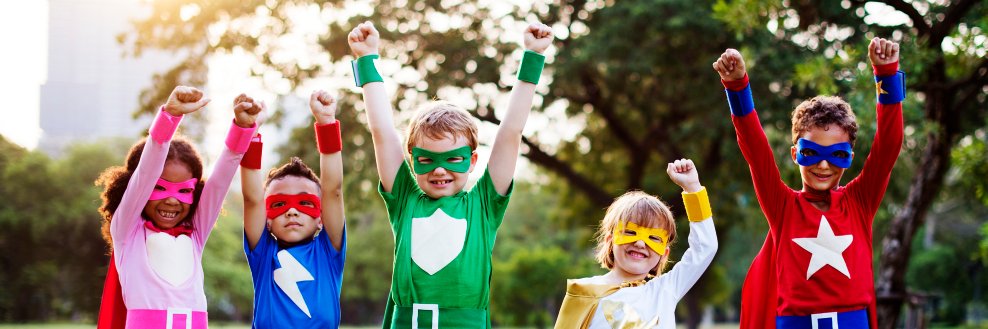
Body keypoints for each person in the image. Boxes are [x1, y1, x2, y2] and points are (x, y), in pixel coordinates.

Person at [347, 20, 553, 328]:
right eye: (427, 159)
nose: (440, 169)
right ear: (412, 161)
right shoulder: (405, 199)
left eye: (453, 159)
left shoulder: (483, 204)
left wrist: (533, 57)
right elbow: (382, 133)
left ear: (471, 161)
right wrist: (366, 59)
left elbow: (511, 132)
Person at [712, 38, 905, 329]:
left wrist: (887, 74)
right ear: (795, 154)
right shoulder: (782, 206)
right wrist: (737, 86)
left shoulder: (859, 202)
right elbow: (755, 149)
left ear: (850, 157)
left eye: (836, 155)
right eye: (812, 153)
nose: (823, 165)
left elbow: (889, 146)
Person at [95, 86, 260, 329]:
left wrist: (242, 128)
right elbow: (146, 172)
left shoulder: (195, 232)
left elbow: (220, 182)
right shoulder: (127, 231)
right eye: (160, 188)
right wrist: (169, 117)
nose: (172, 200)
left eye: (184, 191)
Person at [554, 159, 718, 329]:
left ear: (664, 254)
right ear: (610, 241)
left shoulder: (665, 290)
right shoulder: (584, 293)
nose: (640, 243)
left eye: (653, 238)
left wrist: (693, 188)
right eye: (631, 232)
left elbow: (705, 248)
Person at [239, 91, 347, 328]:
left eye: (304, 203)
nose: (291, 212)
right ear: (267, 219)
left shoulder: (328, 252)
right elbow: (252, 199)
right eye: (279, 204)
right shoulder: (263, 254)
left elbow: (333, 190)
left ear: (321, 218)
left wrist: (326, 124)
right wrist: (250, 132)